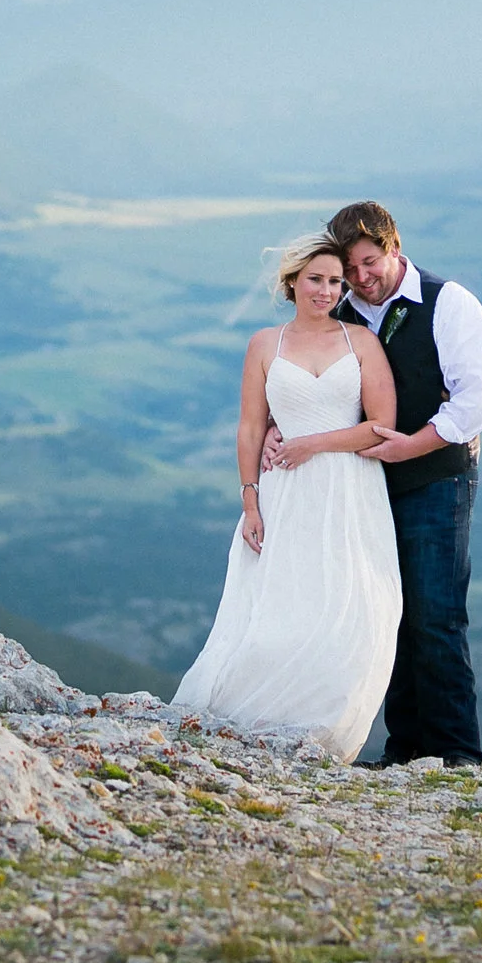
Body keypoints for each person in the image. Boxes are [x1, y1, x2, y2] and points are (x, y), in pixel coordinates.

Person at [170, 235, 406, 761]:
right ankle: (253, 721)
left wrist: (311, 444)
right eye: (316, 280)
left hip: (349, 490)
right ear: (292, 282)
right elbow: (251, 428)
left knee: (350, 610)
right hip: (285, 493)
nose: (326, 291)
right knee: (279, 607)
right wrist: (250, 502)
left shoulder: (361, 342)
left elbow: (381, 427)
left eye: (335, 282)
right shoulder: (264, 345)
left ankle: (325, 735)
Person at [305, 200, 482, 769]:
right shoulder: (338, 309)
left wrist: (411, 444)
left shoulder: (449, 303)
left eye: (369, 263)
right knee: (384, 610)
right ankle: (405, 749)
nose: (361, 279)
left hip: (436, 477)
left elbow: (479, 399)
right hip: (360, 483)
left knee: (435, 614)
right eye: (351, 268)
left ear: (394, 247)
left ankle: (458, 753)